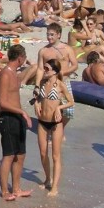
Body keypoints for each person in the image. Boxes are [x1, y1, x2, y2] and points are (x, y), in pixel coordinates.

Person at [0, 44, 36, 201]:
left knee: (20, 155)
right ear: (20, 58)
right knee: (9, 155)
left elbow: (30, 73)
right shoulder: (5, 74)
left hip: (18, 118)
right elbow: (3, 102)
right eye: (24, 58)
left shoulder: (15, 74)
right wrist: (23, 112)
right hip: (7, 118)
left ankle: (17, 188)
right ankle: (5, 191)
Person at [34, 58, 74, 196]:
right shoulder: (43, 83)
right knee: (43, 153)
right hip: (42, 122)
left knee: (55, 156)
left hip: (56, 123)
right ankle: (47, 179)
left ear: (54, 71)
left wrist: (59, 108)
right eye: (44, 68)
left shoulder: (61, 85)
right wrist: (36, 104)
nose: (44, 71)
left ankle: (54, 187)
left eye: (46, 69)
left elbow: (71, 102)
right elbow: (38, 99)